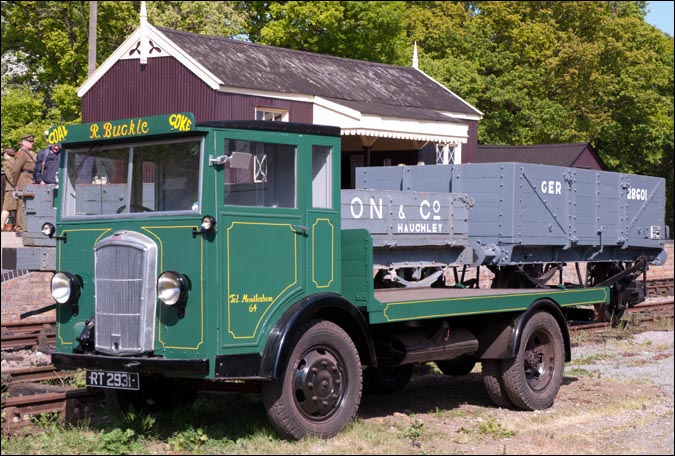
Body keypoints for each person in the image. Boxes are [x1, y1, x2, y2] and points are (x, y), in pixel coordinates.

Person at [9, 134, 37, 236]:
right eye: (30, 141)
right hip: (23, 181)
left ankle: (28, 227)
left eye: (32, 141)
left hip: (31, 180)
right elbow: (16, 170)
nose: (32, 143)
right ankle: (20, 229)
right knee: (22, 205)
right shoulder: (21, 153)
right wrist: (14, 184)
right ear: (24, 142)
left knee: (30, 205)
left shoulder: (31, 153)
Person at [1, 147, 18, 231]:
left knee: (6, 208)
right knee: (18, 208)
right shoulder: (17, 162)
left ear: (6, 154)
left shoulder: (6, 163)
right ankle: (16, 226)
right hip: (20, 187)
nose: (3, 156)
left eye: (3, 154)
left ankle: (1, 226)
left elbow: (9, 176)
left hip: (11, 188)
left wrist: (14, 184)